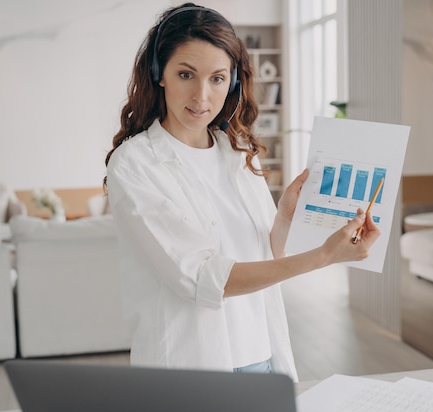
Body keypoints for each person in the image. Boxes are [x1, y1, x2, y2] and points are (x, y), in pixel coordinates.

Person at [104, 3, 380, 382]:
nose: (202, 96)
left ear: (232, 81)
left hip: (261, 358)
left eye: (217, 78)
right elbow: (201, 278)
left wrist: (284, 216)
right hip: (191, 371)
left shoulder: (235, 152)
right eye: (186, 74)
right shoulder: (135, 164)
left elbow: (264, 253)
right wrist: (322, 257)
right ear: (159, 74)